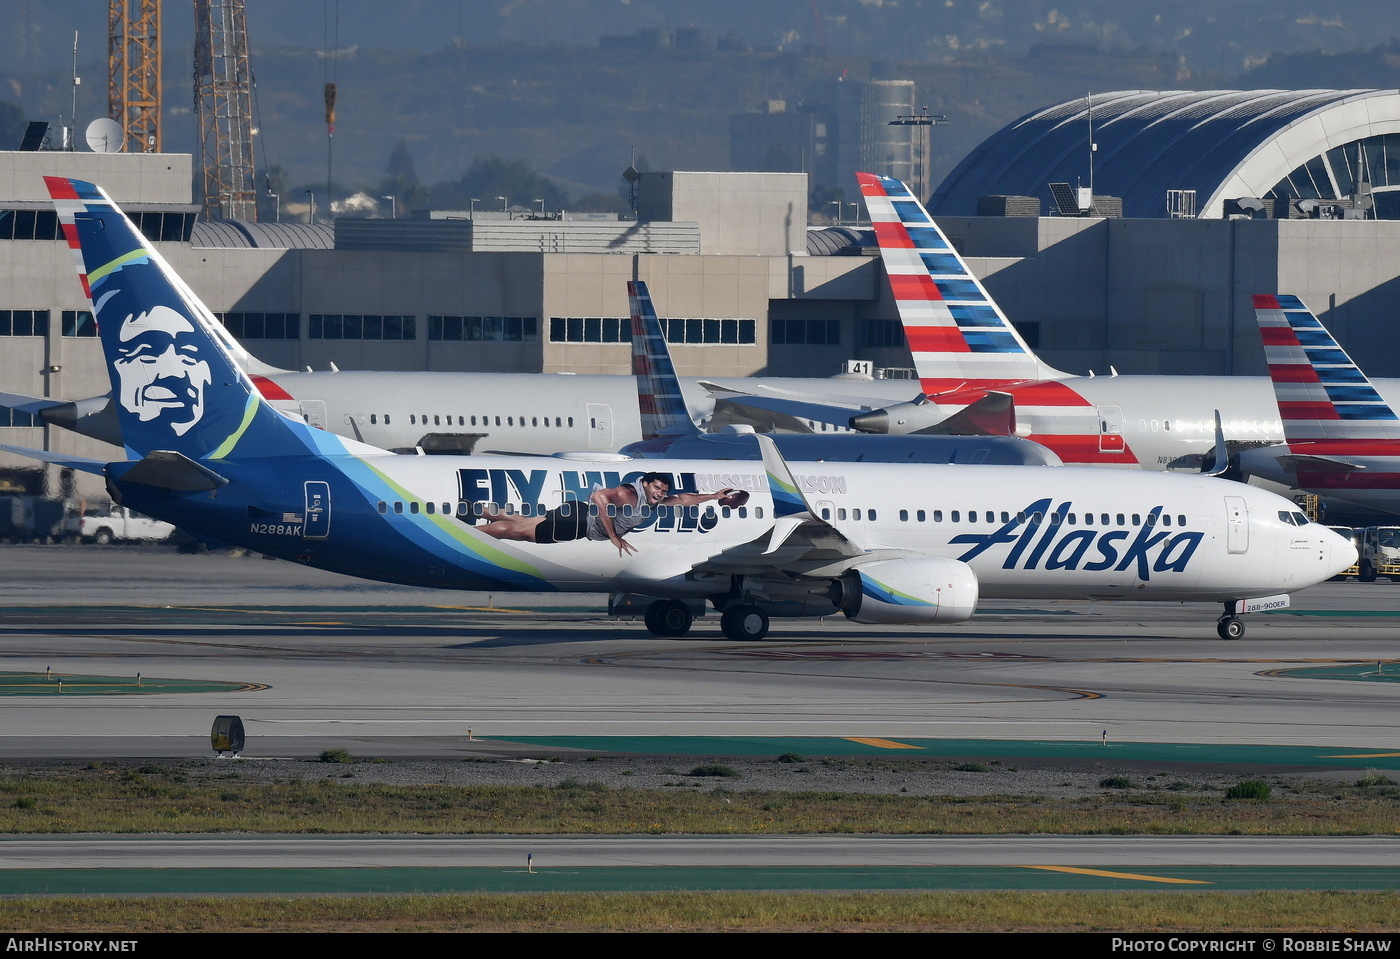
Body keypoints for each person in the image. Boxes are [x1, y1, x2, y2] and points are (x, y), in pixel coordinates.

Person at [476, 473, 739, 556]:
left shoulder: (651, 501)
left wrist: (714, 496)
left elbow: (683, 499)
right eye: (657, 487)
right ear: (646, 484)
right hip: (578, 523)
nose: (660, 493)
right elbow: (599, 497)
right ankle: (466, 534)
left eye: (663, 490)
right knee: (518, 533)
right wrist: (613, 535)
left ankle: (473, 510)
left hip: (575, 514)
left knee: (522, 523)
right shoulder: (631, 494)